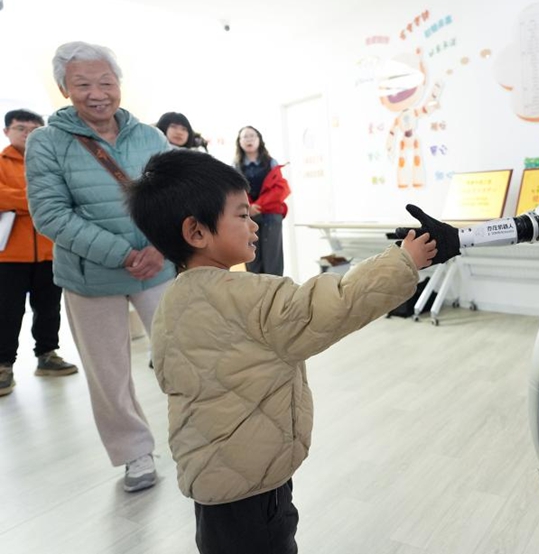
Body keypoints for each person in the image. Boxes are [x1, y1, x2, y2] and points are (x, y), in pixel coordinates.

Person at [125, 149, 435, 554]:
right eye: (241, 215)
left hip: (211, 475)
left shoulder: (173, 301)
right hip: (253, 483)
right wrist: (405, 260)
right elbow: (335, 304)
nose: (254, 224)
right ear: (197, 232)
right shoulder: (249, 296)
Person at [25, 41, 175, 492]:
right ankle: (134, 453)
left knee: (183, 355)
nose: (97, 94)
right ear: (64, 89)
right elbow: (50, 214)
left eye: (106, 82)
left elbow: (176, 196)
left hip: (157, 268)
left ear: (119, 84)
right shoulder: (46, 142)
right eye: (83, 84)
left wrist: (159, 246)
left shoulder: (150, 136)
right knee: (109, 374)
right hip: (90, 278)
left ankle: (200, 435)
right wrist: (122, 254)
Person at [0, 109, 78, 396]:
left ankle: (47, 355)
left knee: (48, 307)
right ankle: (3, 365)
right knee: (7, 311)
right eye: (21, 128)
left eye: (34, 129)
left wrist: (22, 201)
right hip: (8, 255)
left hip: (50, 250)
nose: (27, 134)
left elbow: (66, 197)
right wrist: (39, 200)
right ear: (7, 131)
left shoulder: (52, 162)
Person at [234, 125, 290, 275]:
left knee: (273, 260)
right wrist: (249, 208)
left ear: (259, 140)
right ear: (239, 142)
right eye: (245, 137)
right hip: (247, 216)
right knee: (252, 259)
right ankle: (256, 291)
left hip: (271, 214)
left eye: (252, 136)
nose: (249, 139)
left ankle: (276, 290)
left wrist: (258, 205)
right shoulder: (235, 166)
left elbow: (280, 189)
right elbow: (234, 192)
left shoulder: (271, 163)